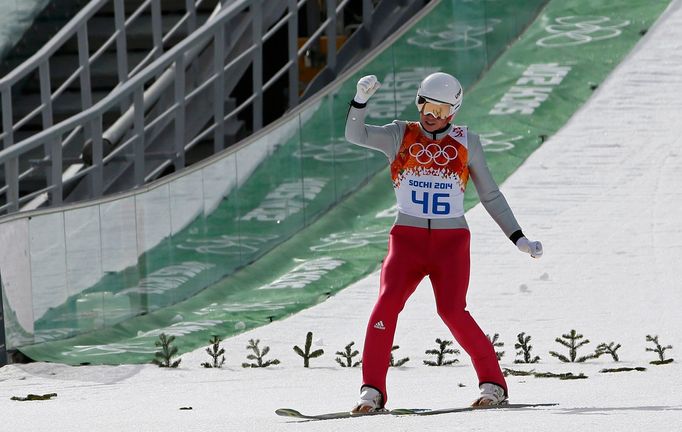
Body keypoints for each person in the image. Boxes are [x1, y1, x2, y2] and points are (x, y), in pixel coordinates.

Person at [344, 73, 543, 413]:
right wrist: (360, 100)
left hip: (451, 243)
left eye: (440, 108)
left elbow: (490, 195)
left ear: (454, 111)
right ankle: (371, 391)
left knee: (452, 311)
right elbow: (355, 134)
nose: (430, 114)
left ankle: (493, 383)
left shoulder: (467, 142)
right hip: (407, 241)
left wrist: (518, 237)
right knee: (385, 306)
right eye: (425, 104)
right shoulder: (399, 134)